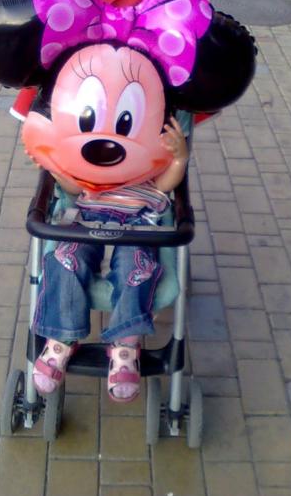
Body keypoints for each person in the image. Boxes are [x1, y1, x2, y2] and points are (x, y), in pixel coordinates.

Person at [31, 115, 189, 403]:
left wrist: (179, 159)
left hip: (138, 225)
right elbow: (73, 189)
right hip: (87, 218)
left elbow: (165, 185)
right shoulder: (91, 161)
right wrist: (52, 165)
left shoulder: (148, 169)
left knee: (136, 270)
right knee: (66, 259)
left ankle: (125, 343)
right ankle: (61, 337)